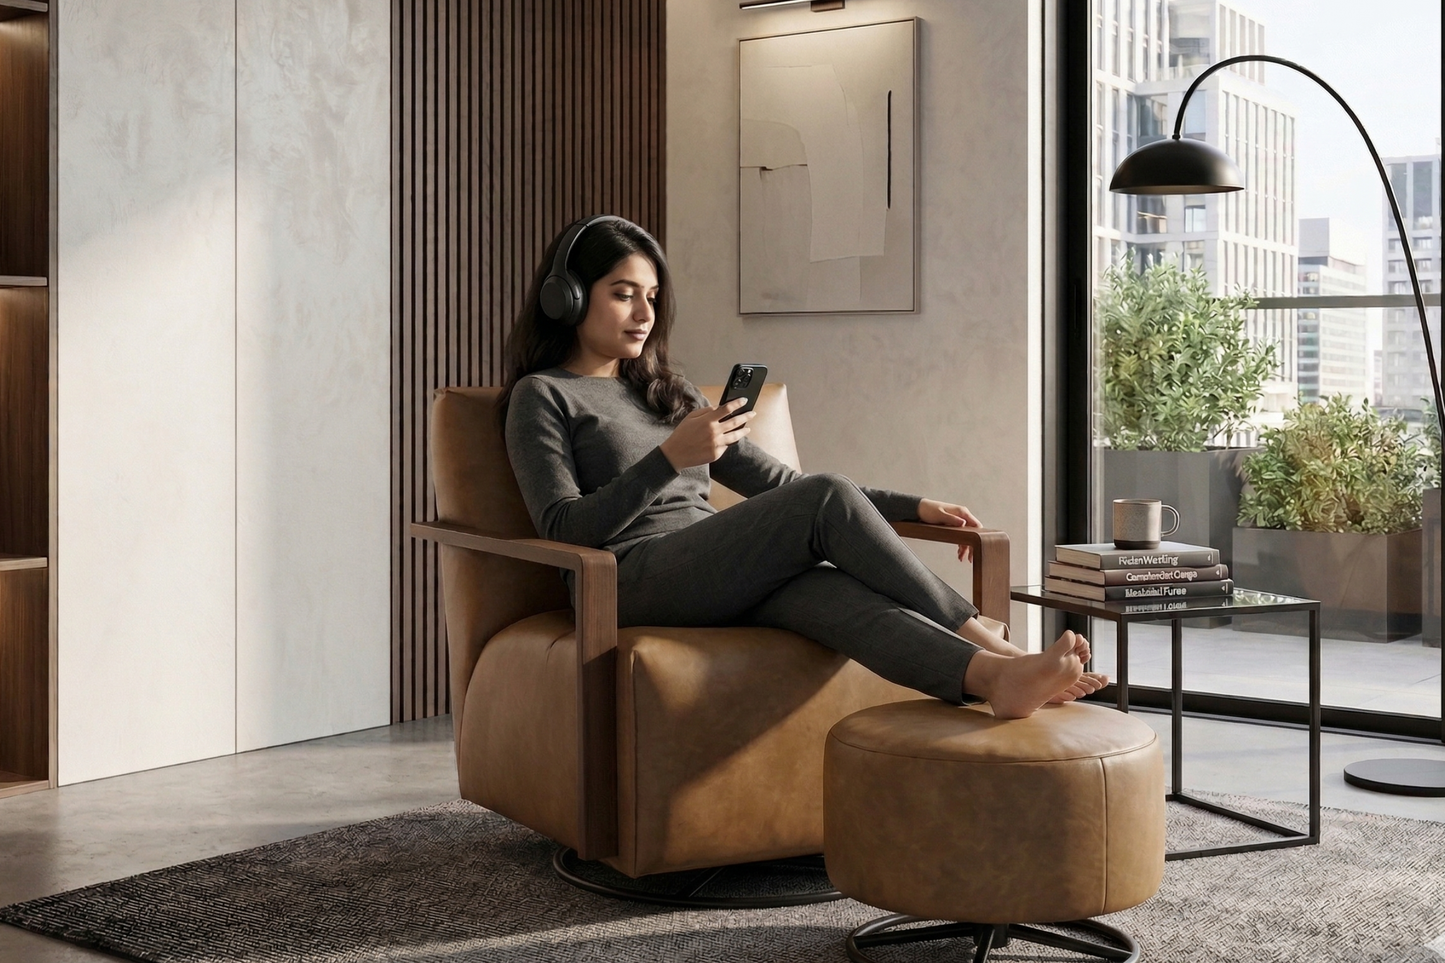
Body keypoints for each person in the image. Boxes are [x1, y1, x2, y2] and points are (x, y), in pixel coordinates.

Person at [500, 216, 1106, 718]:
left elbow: (781, 487)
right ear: (569, 297)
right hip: (626, 582)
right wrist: (669, 459)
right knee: (822, 501)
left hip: (711, 566)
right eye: (623, 293)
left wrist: (913, 507)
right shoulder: (544, 395)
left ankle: (996, 680)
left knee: (827, 590)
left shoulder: (667, 391)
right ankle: (986, 636)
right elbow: (562, 528)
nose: (643, 313)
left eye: (652, 297)